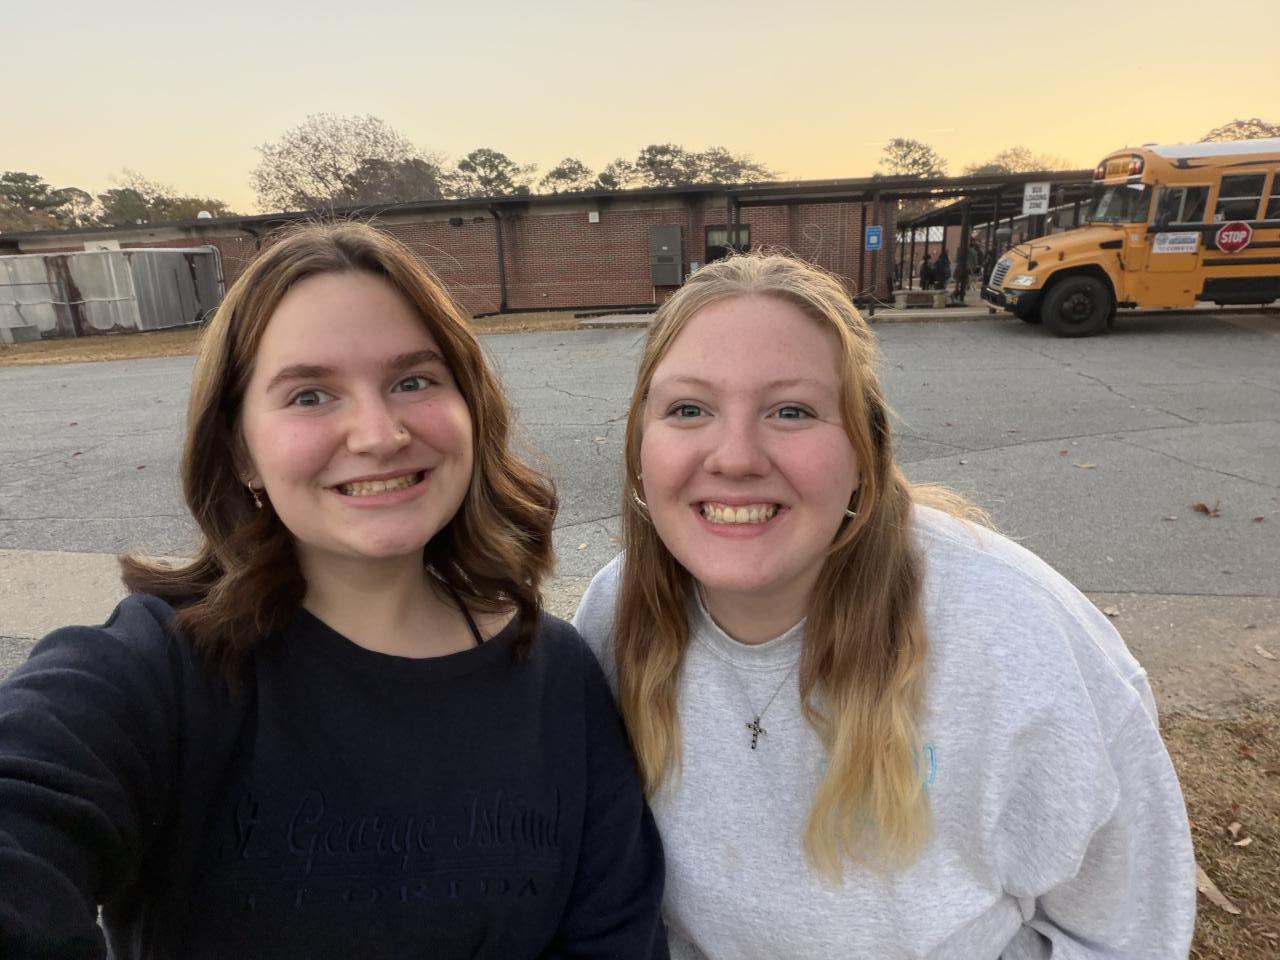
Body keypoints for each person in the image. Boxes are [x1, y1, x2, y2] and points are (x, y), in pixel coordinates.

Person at [0, 222, 667, 960]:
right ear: (241, 451)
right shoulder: (156, 672)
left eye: (413, 381)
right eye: (311, 394)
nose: (378, 434)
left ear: (471, 410)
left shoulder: (558, 679)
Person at [573, 252, 1195, 958]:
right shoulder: (614, 618)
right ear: (639, 446)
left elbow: (1127, 933)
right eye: (689, 409)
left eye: (791, 410)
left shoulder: (1018, 638)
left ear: (865, 450)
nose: (736, 457)